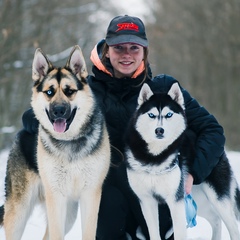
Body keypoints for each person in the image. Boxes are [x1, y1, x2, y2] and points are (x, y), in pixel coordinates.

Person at [22, 15, 225, 240]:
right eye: (119, 48)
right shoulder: (86, 91)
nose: (127, 54)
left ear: (144, 52)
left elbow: (212, 130)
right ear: (107, 51)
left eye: (134, 47)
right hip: (110, 201)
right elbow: (33, 117)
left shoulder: (164, 88)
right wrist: (57, 125)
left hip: (158, 189)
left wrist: (192, 173)